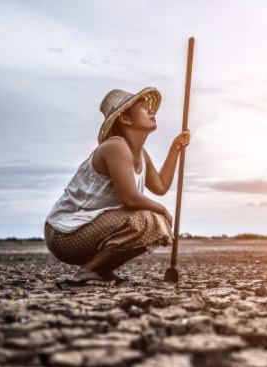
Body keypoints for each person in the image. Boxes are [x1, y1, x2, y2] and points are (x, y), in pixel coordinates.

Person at [45, 87, 190, 285]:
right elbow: (129, 199)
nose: (151, 111)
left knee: (155, 222)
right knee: (150, 221)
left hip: (89, 228)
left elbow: (161, 186)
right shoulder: (116, 146)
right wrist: (163, 210)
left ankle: (102, 271)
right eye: (142, 107)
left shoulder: (141, 154)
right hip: (64, 234)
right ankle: (87, 271)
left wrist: (175, 149)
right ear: (125, 119)